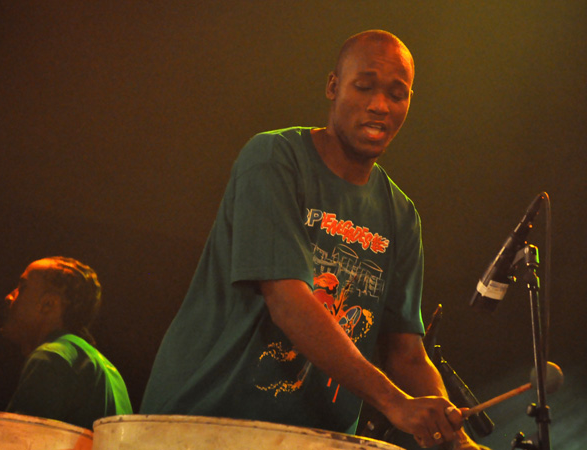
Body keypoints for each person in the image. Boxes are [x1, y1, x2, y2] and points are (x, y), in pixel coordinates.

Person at [141, 30, 486, 449]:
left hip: (314, 441)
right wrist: (395, 403)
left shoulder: (401, 216)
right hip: (203, 425)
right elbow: (288, 301)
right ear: (333, 86)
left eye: (397, 94)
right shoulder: (273, 157)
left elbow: (407, 354)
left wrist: (456, 440)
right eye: (364, 86)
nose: (380, 105)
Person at [0, 256, 133, 430]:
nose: (9, 297)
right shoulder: (109, 370)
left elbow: (18, 439)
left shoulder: (52, 357)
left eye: (22, 288)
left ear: (48, 304)